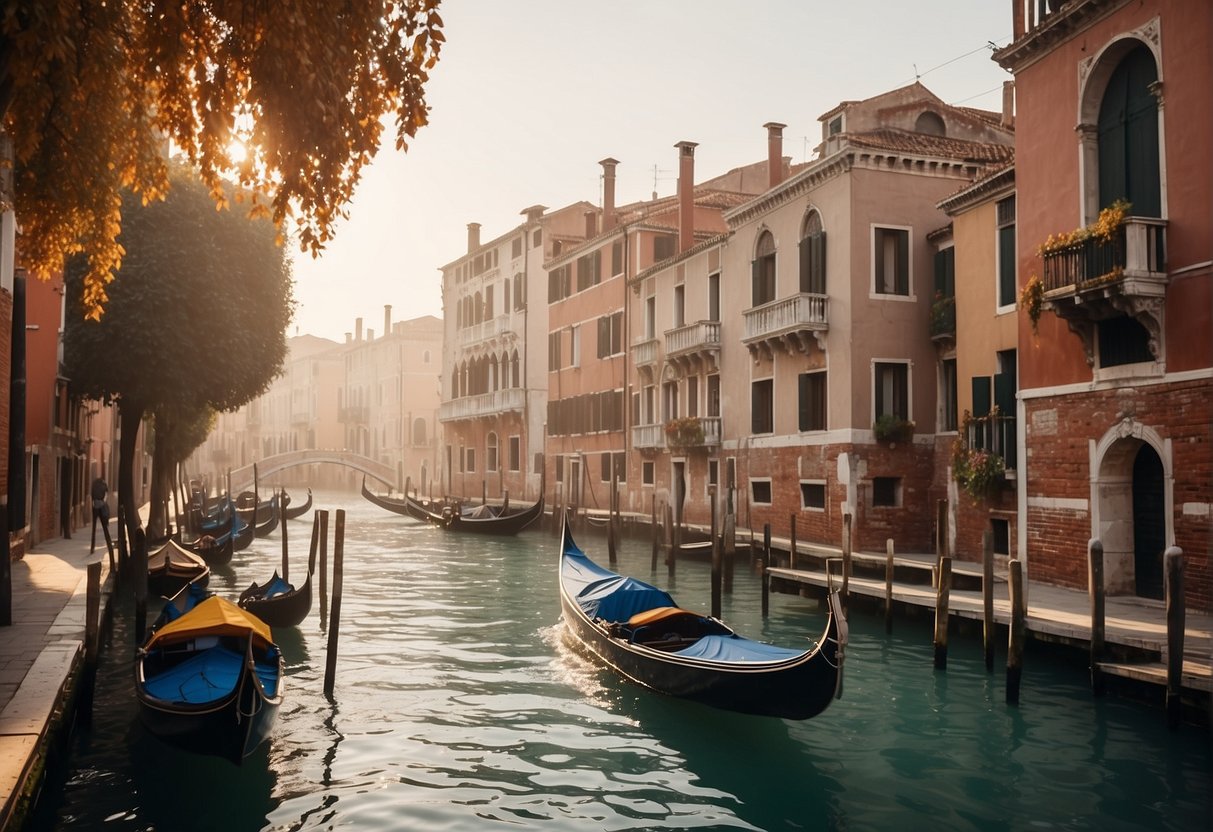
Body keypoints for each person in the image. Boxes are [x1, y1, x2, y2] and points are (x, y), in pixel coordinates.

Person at [91, 476, 114, 558]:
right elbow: (106, 495)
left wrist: (94, 503)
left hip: (95, 506)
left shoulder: (94, 484)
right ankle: (109, 545)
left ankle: (92, 547)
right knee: (105, 528)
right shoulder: (104, 484)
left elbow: (92, 495)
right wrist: (103, 502)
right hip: (101, 505)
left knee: (94, 528)